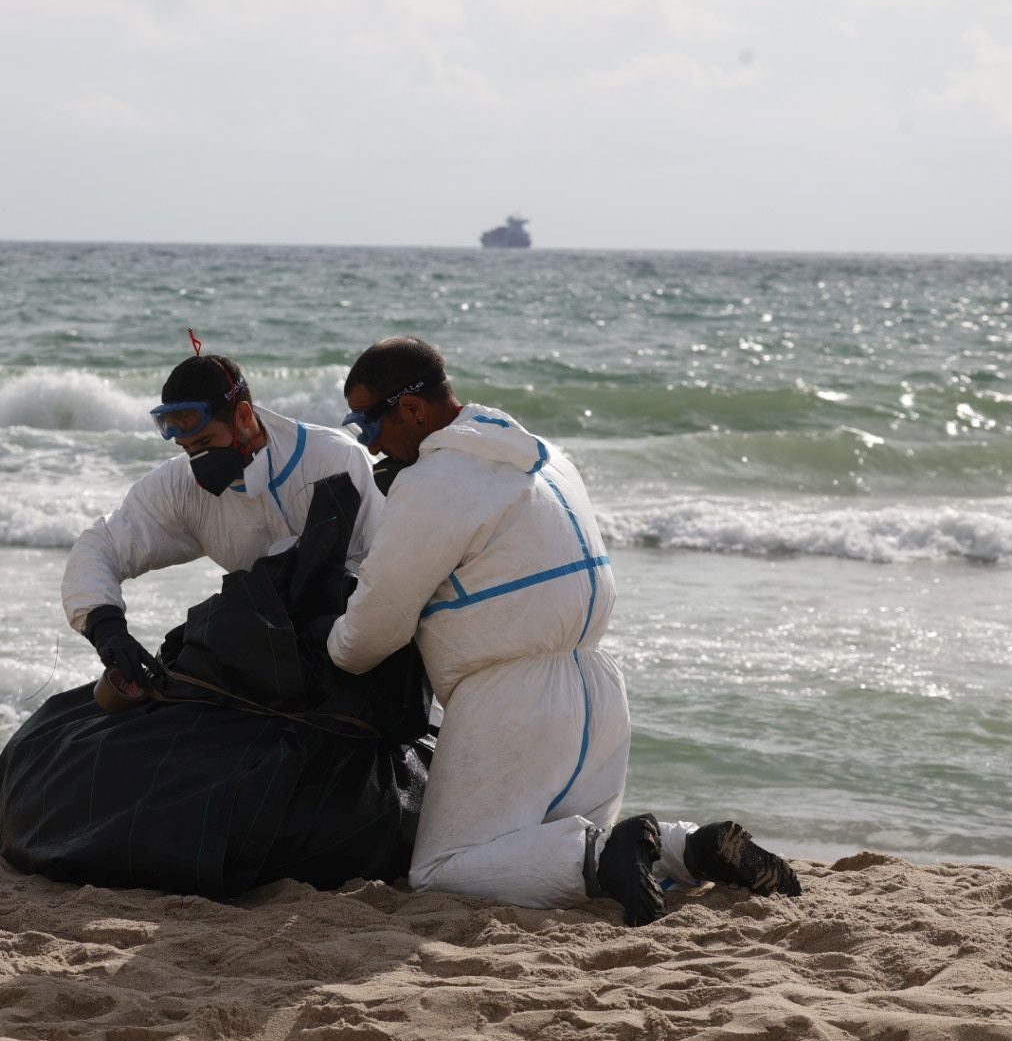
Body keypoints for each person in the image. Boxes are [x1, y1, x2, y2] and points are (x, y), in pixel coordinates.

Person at [320, 337, 800, 926]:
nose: (367, 443)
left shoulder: (434, 481)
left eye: (367, 423)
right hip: (597, 687)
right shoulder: (544, 453)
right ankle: (693, 846)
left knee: (443, 867)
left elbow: (376, 628)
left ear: (414, 411)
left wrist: (330, 646)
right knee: (547, 836)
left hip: (510, 700)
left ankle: (597, 860)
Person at [64, 343, 385, 700]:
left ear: (244, 417)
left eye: (205, 441)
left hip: (345, 648)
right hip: (260, 657)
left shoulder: (334, 460)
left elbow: (384, 579)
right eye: (187, 449)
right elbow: (101, 544)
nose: (198, 460)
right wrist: (105, 626)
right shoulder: (181, 487)